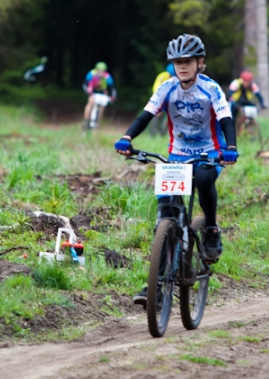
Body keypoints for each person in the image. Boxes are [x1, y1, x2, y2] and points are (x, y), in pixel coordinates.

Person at [114, 34, 238, 308]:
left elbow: (227, 120)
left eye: (187, 62)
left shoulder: (211, 89)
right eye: (177, 62)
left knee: (205, 178)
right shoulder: (167, 88)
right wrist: (127, 138)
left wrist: (231, 147)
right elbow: (146, 115)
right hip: (177, 155)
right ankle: (156, 285)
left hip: (208, 153)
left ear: (199, 63)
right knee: (166, 216)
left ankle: (211, 229)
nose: (181, 67)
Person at [82, 62, 116, 130]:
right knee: (90, 102)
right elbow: (84, 84)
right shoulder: (91, 74)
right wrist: (88, 92)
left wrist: (113, 96)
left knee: (102, 106)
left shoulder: (107, 76)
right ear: (96, 70)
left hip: (102, 93)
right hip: (92, 92)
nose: (101, 72)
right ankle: (85, 120)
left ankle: (97, 123)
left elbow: (112, 88)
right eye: (99, 71)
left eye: (102, 71)